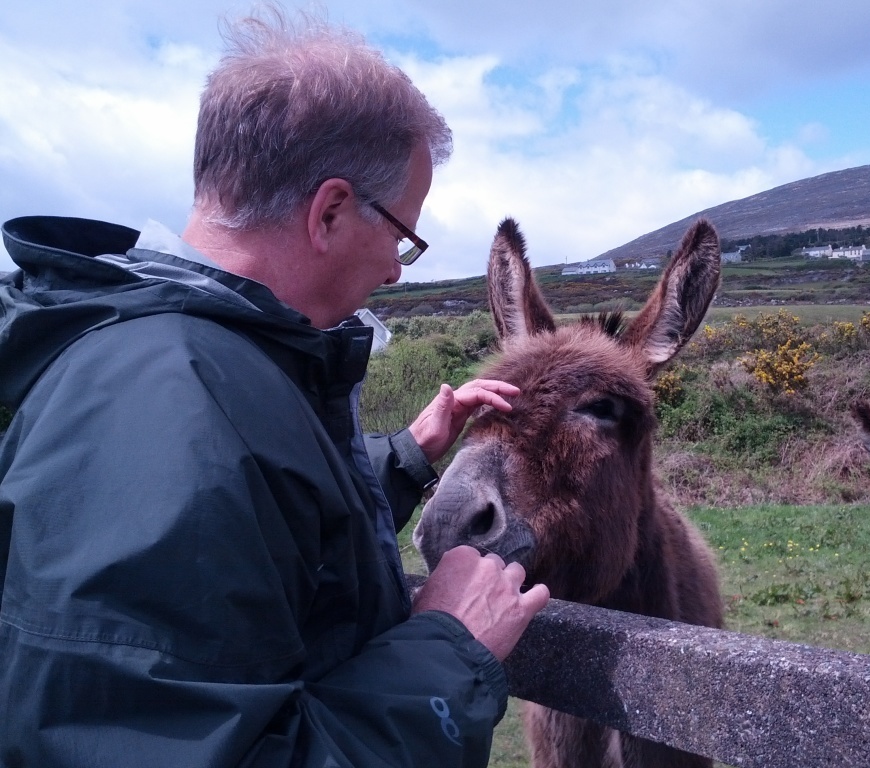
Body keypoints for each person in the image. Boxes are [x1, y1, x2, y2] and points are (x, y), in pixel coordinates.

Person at [0, 6, 549, 767]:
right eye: (402, 235)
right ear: (330, 212)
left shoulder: (192, 368)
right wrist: (448, 649)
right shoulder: (177, 406)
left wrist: (402, 458)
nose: (396, 271)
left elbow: (244, 537)